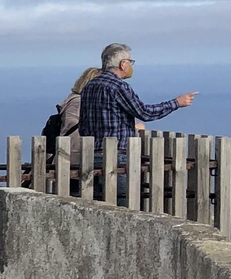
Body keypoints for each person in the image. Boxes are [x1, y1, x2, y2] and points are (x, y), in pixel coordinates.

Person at [78, 44, 196, 196]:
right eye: (130, 62)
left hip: (92, 155)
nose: (131, 66)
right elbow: (144, 112)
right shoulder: (119, 86)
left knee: (98, 203)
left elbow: (83, 125)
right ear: (122, 64)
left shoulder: (89, 86)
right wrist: (176, 103)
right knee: (122, 203)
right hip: (117, 155)